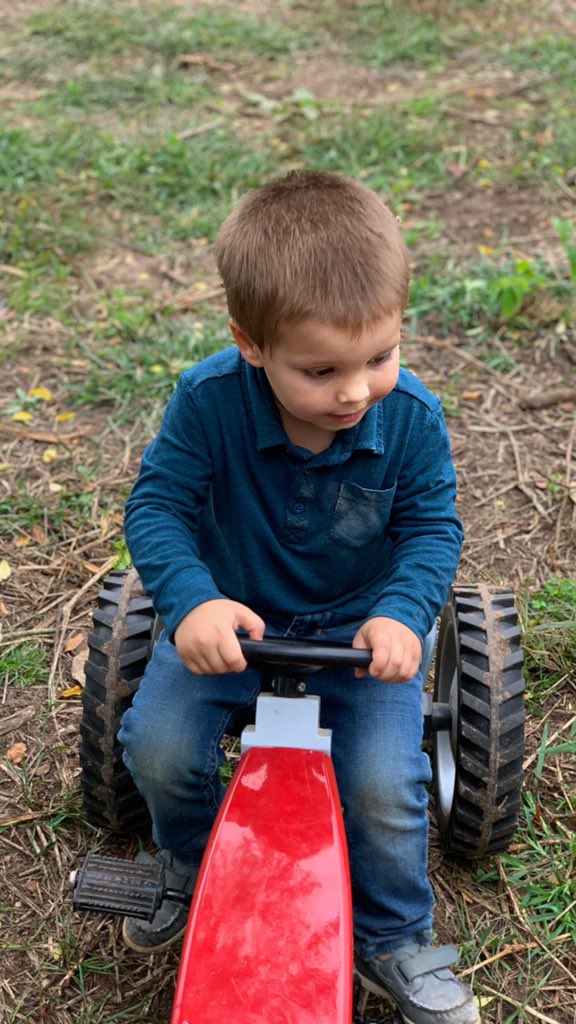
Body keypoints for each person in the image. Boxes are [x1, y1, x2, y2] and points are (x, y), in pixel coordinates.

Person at [118, 170, 478, 1024]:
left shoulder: (412, 421)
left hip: (358, 645)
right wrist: (194, 600)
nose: (355, 391)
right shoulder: (209, 402)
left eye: (380, 358)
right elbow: (158, 506)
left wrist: (400, 614)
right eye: (321, 370)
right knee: (160, 746)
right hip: (231, 630)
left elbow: (434, 529)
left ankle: (395, 936)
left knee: (386, 788)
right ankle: (191, 865)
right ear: (251, 343)